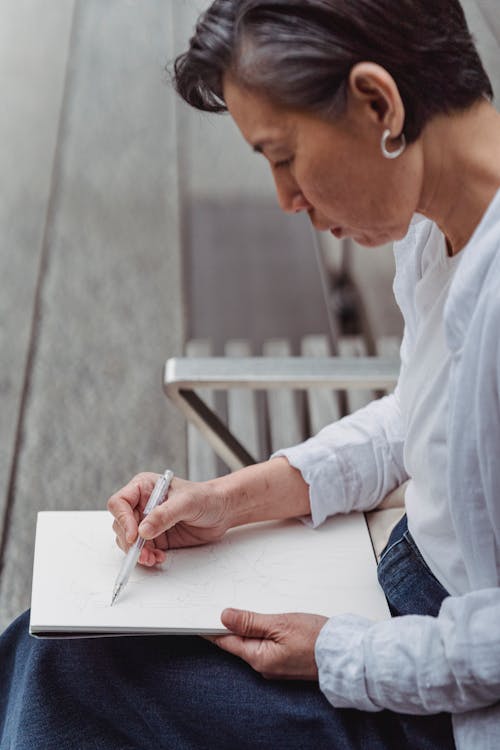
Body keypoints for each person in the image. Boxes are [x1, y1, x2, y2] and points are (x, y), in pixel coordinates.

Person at [1, 0, 499, 747]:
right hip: (395, 588)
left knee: (67, 677)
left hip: (441, 692)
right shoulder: (439, 224)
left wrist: (341, 655)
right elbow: (428, 414)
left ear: (378, 103)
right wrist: (234, 498)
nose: (285, 198)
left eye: (283, 155)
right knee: (52, 630)